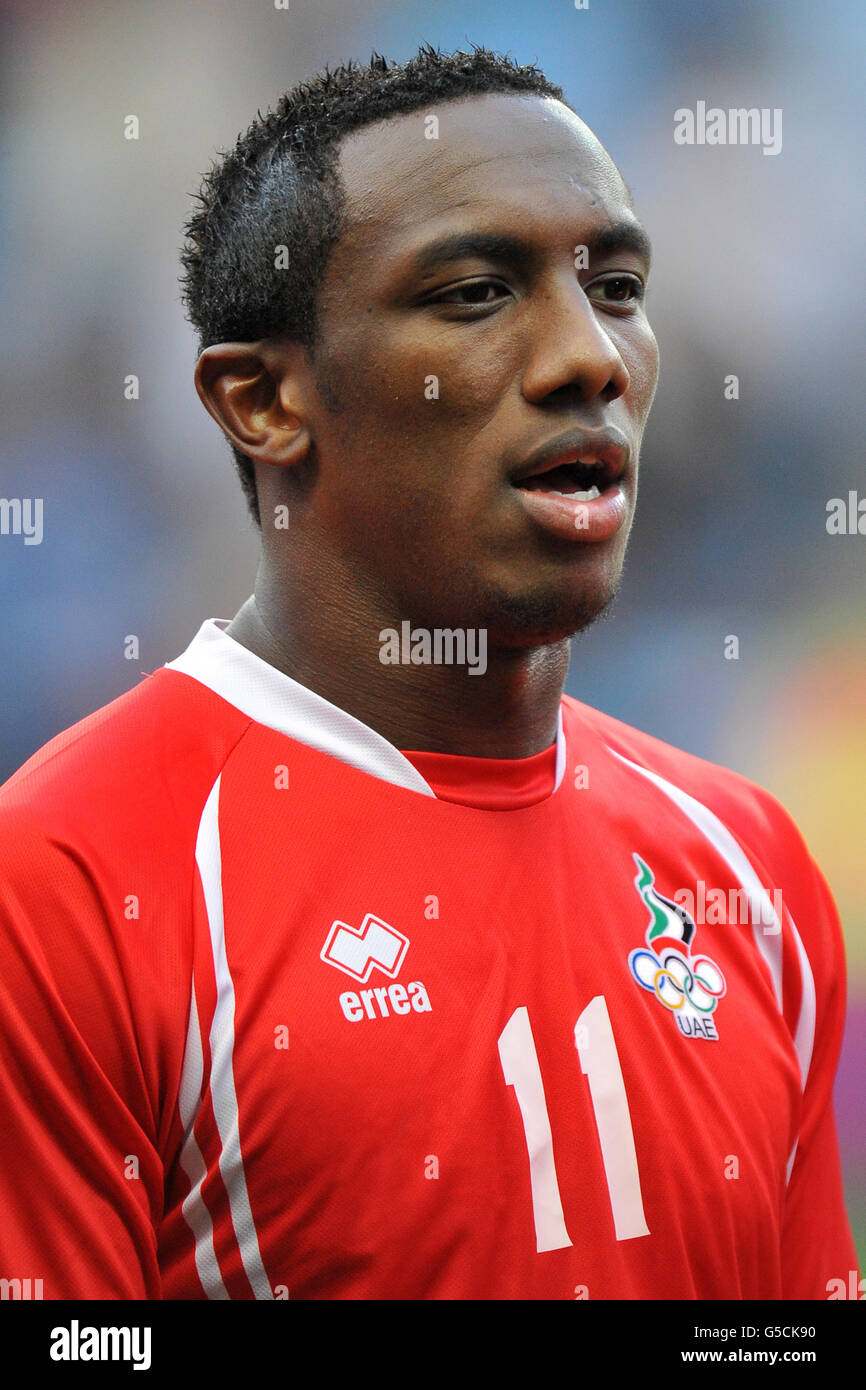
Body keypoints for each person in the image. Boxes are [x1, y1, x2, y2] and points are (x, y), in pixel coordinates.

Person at [0, 45, 857, 1300]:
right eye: (472, 293)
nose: (591, 358)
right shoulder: (71, 881)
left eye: (615, 285)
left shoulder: (743, 867)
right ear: (264, 403)